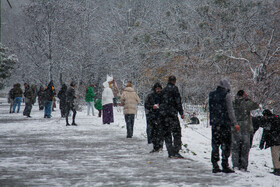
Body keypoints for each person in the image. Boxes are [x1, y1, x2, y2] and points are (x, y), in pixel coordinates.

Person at [209, 79, 240, 173]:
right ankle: (225, 164)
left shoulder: (211, 94)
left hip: (215, 124)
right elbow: (230, 110)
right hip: (224, 124)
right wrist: (235, 123)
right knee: (226, 145)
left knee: (215, 144)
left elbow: (211, 109)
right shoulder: (227, 95)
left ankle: (215, 165)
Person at [232, 90, 259, 172]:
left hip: (235, 128)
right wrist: (248, 99)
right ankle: (243, 166)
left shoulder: (233, 103)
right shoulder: (246, 103)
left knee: (235, 148)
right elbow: (256, 105)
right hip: (245, 129)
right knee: (245, 149)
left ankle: (235, 165)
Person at [158, 76, 184, 159]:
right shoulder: (175, 89)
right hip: (172, 115)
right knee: (176, 132)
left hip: (164, 115)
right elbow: (178, 101)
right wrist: (181, 112)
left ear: (168, 81)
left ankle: (170, 151)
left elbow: (159, 102)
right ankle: (176, 151)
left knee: (167, 133)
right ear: (175, 81)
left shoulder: (164, 90)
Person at [259, 109, 280, 176]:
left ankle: (277, 169)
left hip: (274, 141)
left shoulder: (269, 120)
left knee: (275, 155)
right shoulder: (277, 118)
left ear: (265, 115)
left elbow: (265, 132)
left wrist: (262, 143)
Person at [145, 82, 164, 152]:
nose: (158, 90)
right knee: (154, 132)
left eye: (160, 89)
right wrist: (152, 107)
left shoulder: (163, 96)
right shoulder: (150, 96)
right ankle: (155, 146)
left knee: (160, 132)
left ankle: (160, 146)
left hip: (161, 116)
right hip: (152, 116)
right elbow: (146, 105)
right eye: (157, 89)